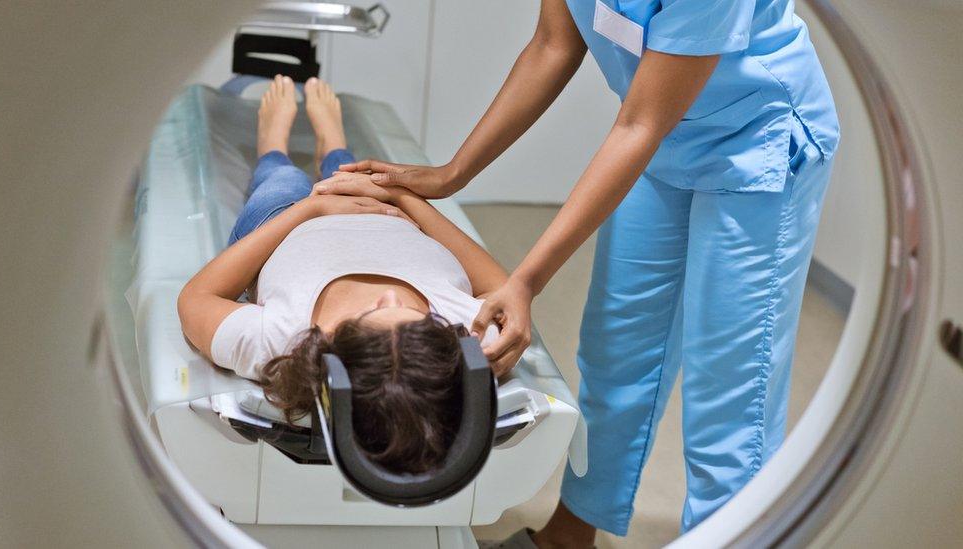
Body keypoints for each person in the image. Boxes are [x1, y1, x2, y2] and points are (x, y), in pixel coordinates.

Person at [319, 0, 840, 544]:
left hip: (756, 140)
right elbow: (553, 44)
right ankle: (569, 535)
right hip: (665, 143)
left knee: (729, 393)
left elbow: (640, 123)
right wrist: (451, 175)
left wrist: (524, 281)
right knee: (617, 350)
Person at [176, 75, 505, 474]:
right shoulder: (473, 334)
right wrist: (405, 199)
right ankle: (333, 145)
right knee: (359, 176)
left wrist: (312, 209)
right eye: (422, 320)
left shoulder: (286, 342)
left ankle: (273, 145)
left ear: (327, 353)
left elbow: (196, 299)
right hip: (388, 214)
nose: (392, 298)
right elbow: (502, 288)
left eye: (369, 317)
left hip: (286, 222)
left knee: (284, 182)